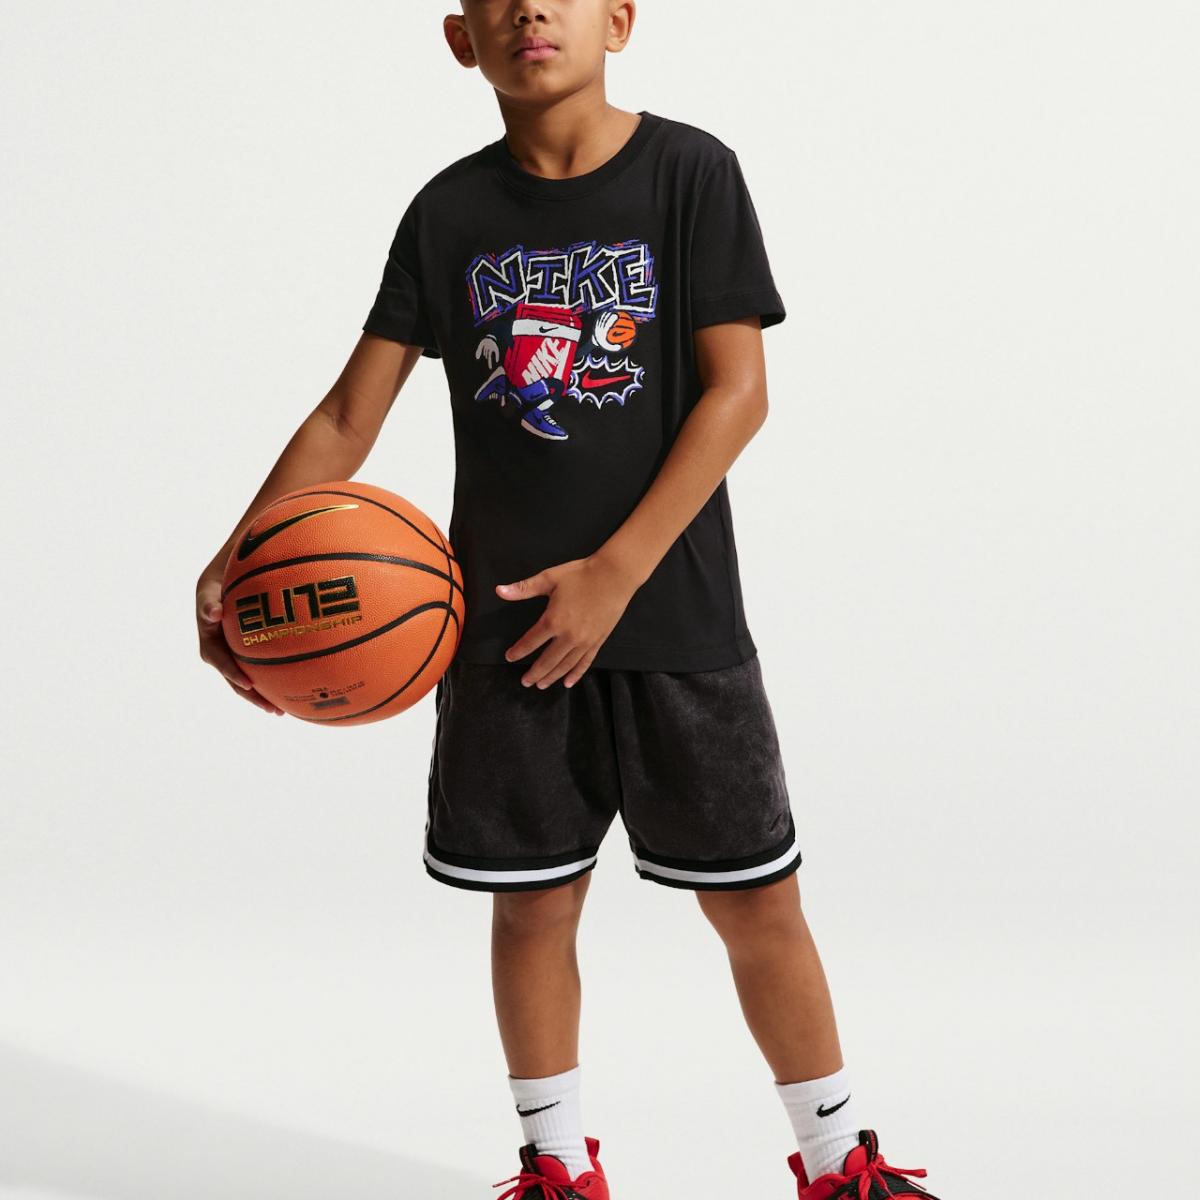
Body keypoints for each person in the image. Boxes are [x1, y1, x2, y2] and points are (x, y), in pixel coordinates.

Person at [196, 3, 943, 1197]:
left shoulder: (690, 173)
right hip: (502, 636)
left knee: (758, 904)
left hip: (677, 620)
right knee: (533, 911)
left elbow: (739, 393)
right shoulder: (447, 213)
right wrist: (239, 560)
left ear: (619, 21)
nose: (529, 9)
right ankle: (555, 1167)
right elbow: (347, 415)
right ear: (461, 40)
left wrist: (616, 573)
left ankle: (835, 1159)